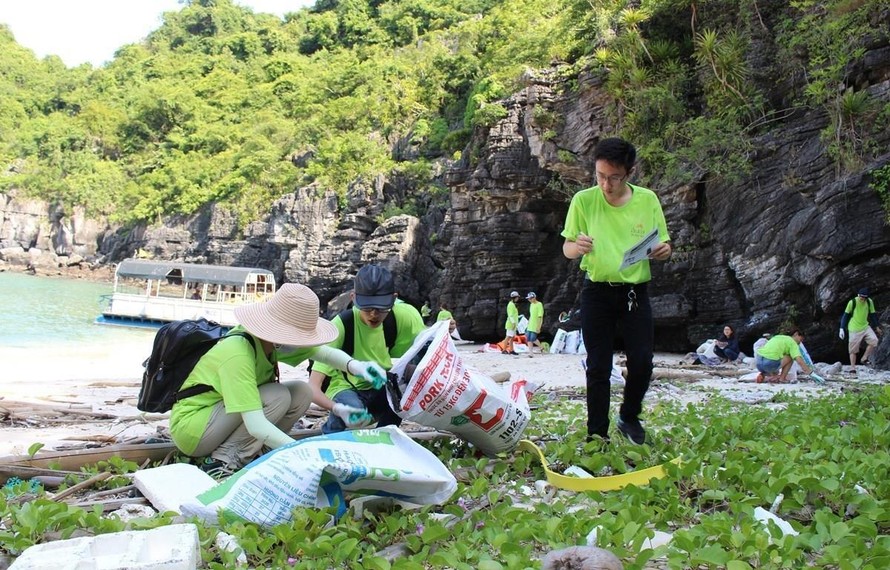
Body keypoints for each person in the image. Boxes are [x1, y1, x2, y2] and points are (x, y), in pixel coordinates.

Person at [169, 284, 384, 476]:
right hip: (194, 430)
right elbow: (256, 425)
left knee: (302, 392)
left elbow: (324, 354)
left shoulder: (272, 342)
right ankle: (222, 461)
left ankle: (259, 452)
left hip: (221, 421)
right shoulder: (237, 352)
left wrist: (357, 367)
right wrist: (304, 454)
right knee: (277, 395)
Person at [561, 137, 672, 445]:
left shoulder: (647, 200)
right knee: (598, 365)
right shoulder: (584, 200)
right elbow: (567, 248)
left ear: (629, 173)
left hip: (635, 292)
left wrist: (663, 251)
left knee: (642, 361)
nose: (606, 184)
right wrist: (576, 247)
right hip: (596, 292)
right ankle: (597, 433)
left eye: (613, 177)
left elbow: (663, 243)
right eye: (600, 176)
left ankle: (629, 416)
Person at [306, 264, 426, 434]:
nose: (373, 314)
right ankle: (331, 435)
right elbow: (313, 388)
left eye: (380, 308)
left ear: (393, 298)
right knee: (351, 407)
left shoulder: (405, 316)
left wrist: (445, 329)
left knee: (402, 392)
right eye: (367, 307)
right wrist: (337, 408)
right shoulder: (341, 325)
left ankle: (384, 436)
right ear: (353, 298)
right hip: (346, 387)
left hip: (380, 387)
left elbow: (428, 349)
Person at [839, 287, 882, 373]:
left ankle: (864, 358)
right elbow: (845, 315)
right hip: (854, 328)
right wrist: (842, 328)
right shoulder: (852, 302)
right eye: (861, 297)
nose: (862, 299)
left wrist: (877, 327)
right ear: (858, 295)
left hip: (865, 326)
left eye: (864, 297)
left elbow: (873, 314)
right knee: (853, 350)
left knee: (874, 341)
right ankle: (852, 368)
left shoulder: (869, 302)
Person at [754, 328, 819, 383]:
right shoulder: (793, 343)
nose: (800, 343)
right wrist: (811, 373)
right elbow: (799, 360)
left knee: (776, 358)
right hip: (769, 364)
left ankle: (764, 374)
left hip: (758, 362)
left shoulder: (777, 337)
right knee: (790, 357)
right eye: (800, 340)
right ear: (796, 334)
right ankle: (782, 378)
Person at [525, 292, 545, 357]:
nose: (529, 300)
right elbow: (531, 315)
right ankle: (531, 353)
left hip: (536, 324)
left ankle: (541, 347)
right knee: (528, 338)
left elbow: (540, 316)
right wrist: (528, 323)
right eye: (528, 299)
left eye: (530, 298)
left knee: (533, 338)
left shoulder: (539, 304)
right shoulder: (531, 305)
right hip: (530, 323)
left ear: (534, 298)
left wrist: (539, 326)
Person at [501, 291, 521, 355]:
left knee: (512, 337)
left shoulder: (512, 304)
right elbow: (510, 315)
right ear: (514, 297)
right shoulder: (511, 305)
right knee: (508, 337)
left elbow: (513, 315)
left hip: (514, 324)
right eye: (517, 297)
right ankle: (504, 349)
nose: (518, 298)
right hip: (511, 324)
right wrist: (513, 323)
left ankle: (511, 350)